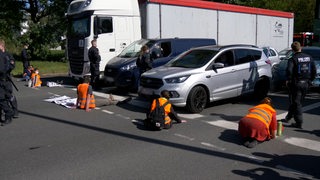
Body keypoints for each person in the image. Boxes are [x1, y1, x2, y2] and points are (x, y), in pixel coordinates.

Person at [283, 41, 316, 129]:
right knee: (297, 101)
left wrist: (288, 80)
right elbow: (313, 70)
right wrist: (310, 80)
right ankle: (289, 117)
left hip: (296, 83)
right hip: (306, 83)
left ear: (292, 50)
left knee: (297, 103)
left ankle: (299, 122)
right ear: (300, 47)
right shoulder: (309, 57)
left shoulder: (293, 58)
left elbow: (289, 70)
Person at [0, 39, 14, 125]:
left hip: (5, 80)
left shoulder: (6, 55)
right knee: (1, 98)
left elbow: (4, 68)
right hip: (2, 79)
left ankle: (10, 113)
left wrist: (7, 70)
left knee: (6, 97)